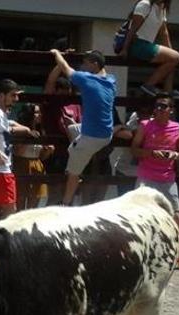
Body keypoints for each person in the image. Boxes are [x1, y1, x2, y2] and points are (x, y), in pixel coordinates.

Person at [131, 94, 179, 272]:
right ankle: (139, 255)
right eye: (157, 106)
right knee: (138, 215)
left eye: (163, 106)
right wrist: (151, 153)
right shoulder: (145, 125)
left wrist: (174, 155)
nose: (159, 109)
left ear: (171, 110)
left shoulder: (177, 128)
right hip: (146, 176)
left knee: (175, 215)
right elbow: (134, 150)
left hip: (167, 178)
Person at [50, 49, 117, 206]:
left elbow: (65, 68)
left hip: (92, 137)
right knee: (73, 131)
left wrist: (57, 53)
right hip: (107, 134)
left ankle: (66, 203)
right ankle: (77, 153)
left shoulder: (86, 79)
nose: (82, 66)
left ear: (94, 64)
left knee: (73, 172)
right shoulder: (111, 81)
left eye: (85, 63)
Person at [0, 79, 40, 227]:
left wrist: (26, 129)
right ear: (2, 95)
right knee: (10, 209)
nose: (16, 99)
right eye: (12, 95)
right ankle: (2, 240)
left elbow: (7, 125)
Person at [122, 0, 179, 96]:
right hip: (138, 44)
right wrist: (125, 48)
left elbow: (164, 32)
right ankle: (149, 85)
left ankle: (168, 91)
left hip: (147, 45)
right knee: (175, 57)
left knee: (173, 59)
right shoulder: (145, 4)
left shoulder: (162, 8)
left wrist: (171, 51)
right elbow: (132, 28)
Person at [41, 66, 82, 205]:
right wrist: (60, 63)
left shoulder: (76, 105)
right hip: (55, 155)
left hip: (73, 153)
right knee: (55, 193)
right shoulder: (50, 104)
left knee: (69, 193)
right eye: (62, 94)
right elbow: (49, 83)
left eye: (68, 93)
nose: (65, 97)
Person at [12, 104, 53, 210]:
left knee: (35, 199)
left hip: (37, 165)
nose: (39, 115)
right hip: (22, 165)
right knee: (21, 198)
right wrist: (28, 137)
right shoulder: (22, 130)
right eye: (36, 112)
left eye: (39, 112)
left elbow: (42, 157)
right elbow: (17, 152)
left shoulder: (41, 131)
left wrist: (48, 151)